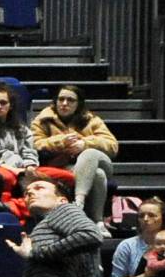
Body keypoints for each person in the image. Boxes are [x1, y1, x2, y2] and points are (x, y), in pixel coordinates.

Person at [31, 85, 118, 229]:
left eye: (70, 100)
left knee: (89, 153)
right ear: (55, 101)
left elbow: (112, 145)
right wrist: (61, 141)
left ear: (78, 104)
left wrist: (84, 143)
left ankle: (78, 202)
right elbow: (35, 144)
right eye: (61, 99)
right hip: (65, 166)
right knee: (98, 175)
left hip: (98, 161)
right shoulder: (42, 120)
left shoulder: (91, 120)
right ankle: (98, 221)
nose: (64, 103)